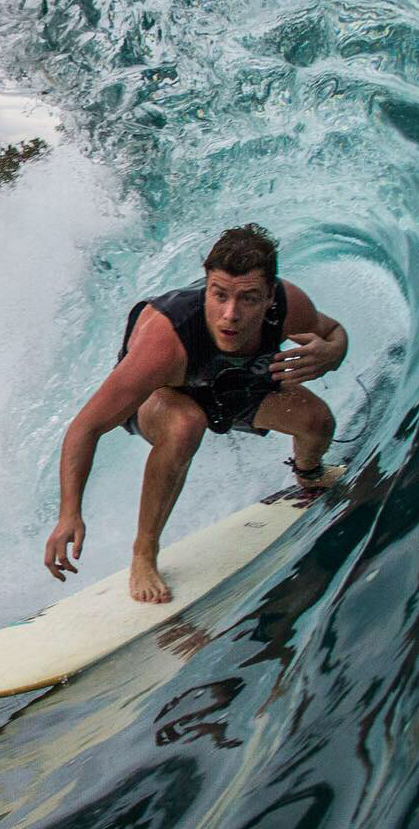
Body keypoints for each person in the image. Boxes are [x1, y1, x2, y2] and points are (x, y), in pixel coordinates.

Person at [43, 223, 348, 603]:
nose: (230, 315)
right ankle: (144, 553)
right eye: (219, 295)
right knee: (187, 423)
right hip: (164, 397)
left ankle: (309, 474)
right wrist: (69, 513)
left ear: (271, 295)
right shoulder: (165, 341)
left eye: (249, 299)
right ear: (207, 285)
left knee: (317, 422)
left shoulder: (289, 306)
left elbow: (334, 331)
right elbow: (85, 427)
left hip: (234, 385)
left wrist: (332, 353)